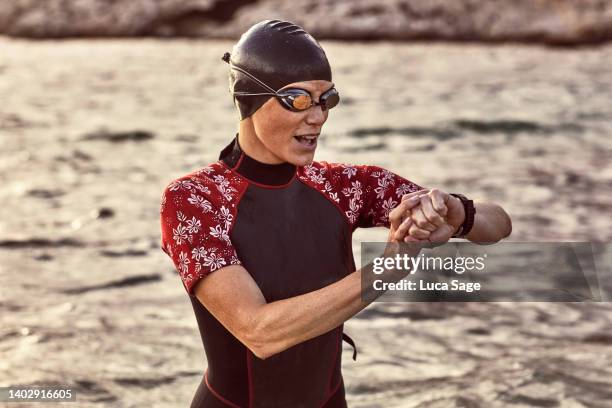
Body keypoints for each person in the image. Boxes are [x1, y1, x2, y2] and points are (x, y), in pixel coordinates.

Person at [159, 19, 512, 408]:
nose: (318, 116)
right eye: (297, 99)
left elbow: (498, 224)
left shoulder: (342, 186)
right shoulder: (194, 200)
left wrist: (451, 211)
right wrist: (385, 270)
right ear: (250, 97)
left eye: (326, 98)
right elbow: (259, 332)